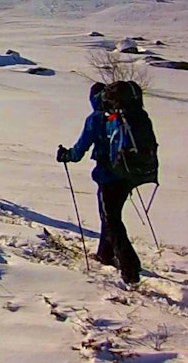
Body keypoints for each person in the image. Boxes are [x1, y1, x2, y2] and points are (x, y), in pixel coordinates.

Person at [57, 82, 142, 285]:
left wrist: (66, 155)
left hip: (108, 176)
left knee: (111, 220)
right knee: (111, 215)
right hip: (129, 175)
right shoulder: (124, 115)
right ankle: (105, 254)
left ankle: (130, 266)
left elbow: (79, 150)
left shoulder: (96, 118)